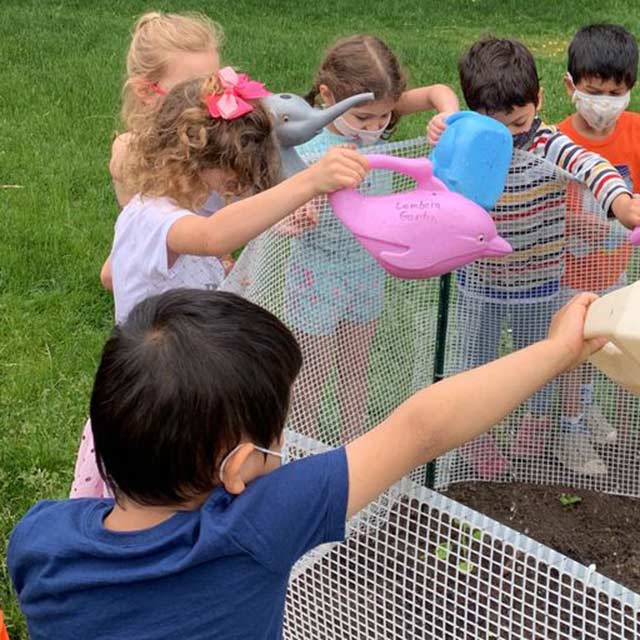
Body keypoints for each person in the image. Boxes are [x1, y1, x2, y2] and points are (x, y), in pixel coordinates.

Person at [8, 288, 606, 639]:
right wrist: (557, 352)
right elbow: (421, 430)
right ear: (238, 467)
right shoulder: (252, 528)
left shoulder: (38, 538)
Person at [68, 67, 370, 499]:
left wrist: (275, 223)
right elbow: (213, 238)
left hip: (190, 389)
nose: (236, 188)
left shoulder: (189, 206)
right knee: (153, 502)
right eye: (231, 177)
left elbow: (127, 267)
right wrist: (310, 181)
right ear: (192, 158)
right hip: (155, 400)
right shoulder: (152, 216)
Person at [452, 36, 640, 478]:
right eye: (495, 125)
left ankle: (536, 420)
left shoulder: (549, 144)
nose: (509, 135)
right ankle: (476, 436)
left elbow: (593, 168)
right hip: (479, 282)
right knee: (476, 364)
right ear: (474, 112)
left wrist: (619, 202)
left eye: (518, 122)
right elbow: (443, 176)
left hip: (539, 284)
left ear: (538, 100)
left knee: (539, 361)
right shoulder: (471, 141)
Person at [283, 35, 458, 443]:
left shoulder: (380, 108)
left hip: (365, 270)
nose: (376, 127)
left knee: (355, 367)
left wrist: (446, 115)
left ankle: (354, 448)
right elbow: (276, 197)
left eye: (383, 117)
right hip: (317, 276)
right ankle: (302, 452)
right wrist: (296, 211)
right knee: (310, 375)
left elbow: (438, 93)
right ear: (328, 96)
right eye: (363, 119)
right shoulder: (308, 140)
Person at [555, 24, 640, 470]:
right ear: (571, 86)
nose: (604, 103)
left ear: (631, 90)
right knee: (575, 350)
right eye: (594, 91)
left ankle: (585, 407)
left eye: (614, 92)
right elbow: (547, 206)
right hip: (569, 276)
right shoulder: (556, 141)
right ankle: (567, 431)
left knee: (604, 347)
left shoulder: (639, 131)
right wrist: (581, 222)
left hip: (617, 269)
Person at [101, 11, 226, 290]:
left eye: (214, 86)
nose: (208, 101)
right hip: (165, 258)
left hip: (206, 256)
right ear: (146, 92)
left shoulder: (218, 142)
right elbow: (139, 236)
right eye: (192, 91)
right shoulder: (129, 152)